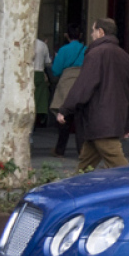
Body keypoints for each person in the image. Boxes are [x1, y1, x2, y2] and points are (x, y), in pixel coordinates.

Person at [55, 18, 129, 172]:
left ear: (101, 32)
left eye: (93, 30)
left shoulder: (96, 54)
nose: (91, 34)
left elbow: (83, 86)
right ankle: (77, 189)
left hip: (99, 119)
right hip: (111, 119)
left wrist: (65, 109)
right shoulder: (125, 57)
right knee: (85, 164)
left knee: (119, 165)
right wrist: (128, 123)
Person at [50, 24, 86, 157]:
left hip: (66, 83)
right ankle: (82, 150)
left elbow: (56, 70)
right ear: (81, 36)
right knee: (80, 119)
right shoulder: (86, 49)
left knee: (64, 118)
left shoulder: (63, 50)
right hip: (82, 82)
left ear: (66, 35)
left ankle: (60, 149)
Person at [33, 36, 53, 128]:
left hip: (28, 73)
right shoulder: (43, 45)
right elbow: (47, 62)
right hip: (39, 73)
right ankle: (39, 118)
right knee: (39, 98)